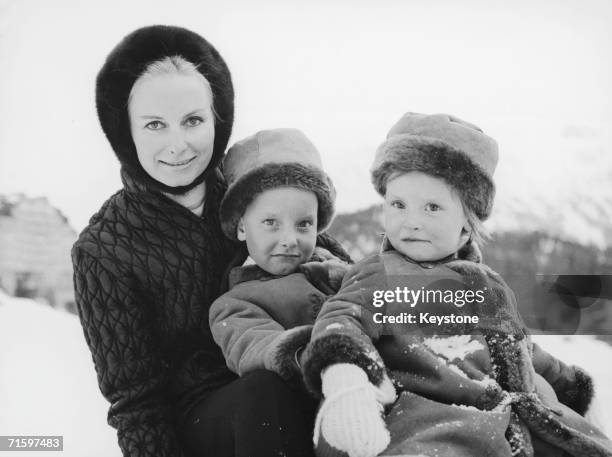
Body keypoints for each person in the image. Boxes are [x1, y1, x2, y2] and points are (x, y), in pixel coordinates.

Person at [72, 25, 340, 457]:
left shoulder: (251, 193)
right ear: (126, 130)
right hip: (203, 420)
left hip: (299, 373)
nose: (177, 145)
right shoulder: (104, 250)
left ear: (217, 120)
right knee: (263, 395)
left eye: (193, 121)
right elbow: (136, 403)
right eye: (155, 125)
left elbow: (332, 267)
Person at [300, 113, 612, 457]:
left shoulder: (488, 286)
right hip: (428, 421)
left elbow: (520, 348)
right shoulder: (380, 274)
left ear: (466, 226)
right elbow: (342, 320)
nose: (412, 221)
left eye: (432, 208)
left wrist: (574, 389)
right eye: (398, 205)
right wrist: (348, 376)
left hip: (512, 421)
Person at [209, 128, 350, 386]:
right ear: (242, 227)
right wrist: (310, 355)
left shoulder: (339, 271)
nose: (289, 239)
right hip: (315, 395)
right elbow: (254, 344)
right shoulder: (235, 304)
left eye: (304, 224)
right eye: (271, 222)